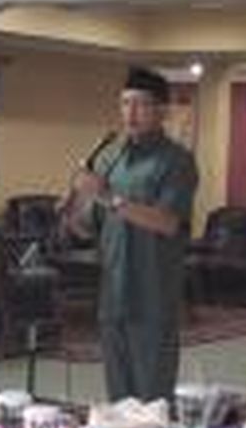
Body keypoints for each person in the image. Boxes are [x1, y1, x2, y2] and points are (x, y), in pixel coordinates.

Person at [67, 66, 199, 402]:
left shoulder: (177, 161)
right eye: (125, 104)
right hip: (113, 293)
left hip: (152, 294)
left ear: (161, 111)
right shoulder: (111, 155)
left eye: (140, 104)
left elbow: (168, 222)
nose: (131, 113)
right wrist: (76, 203)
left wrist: (108, 196)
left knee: (151, 402)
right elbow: (87, 226)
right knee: (119, 402)